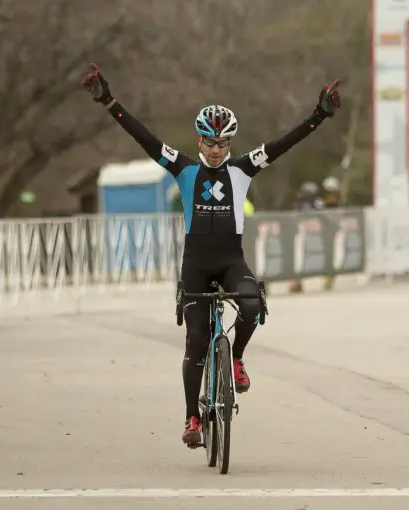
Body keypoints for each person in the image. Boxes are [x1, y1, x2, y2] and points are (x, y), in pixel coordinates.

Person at [81, 63, 341, 446]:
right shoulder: (181, 168)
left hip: (231, 260)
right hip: (196, 266)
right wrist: (107, 100)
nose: (216, 150)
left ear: (231, 144)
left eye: (223, 144)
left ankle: (236, 359)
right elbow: (143, 136)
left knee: (252, 305)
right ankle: (192, 419)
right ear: (199, 140)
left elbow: (285, 142)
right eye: (209, 142)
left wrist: (319, 116)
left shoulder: (243, 169)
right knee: (197, 339)